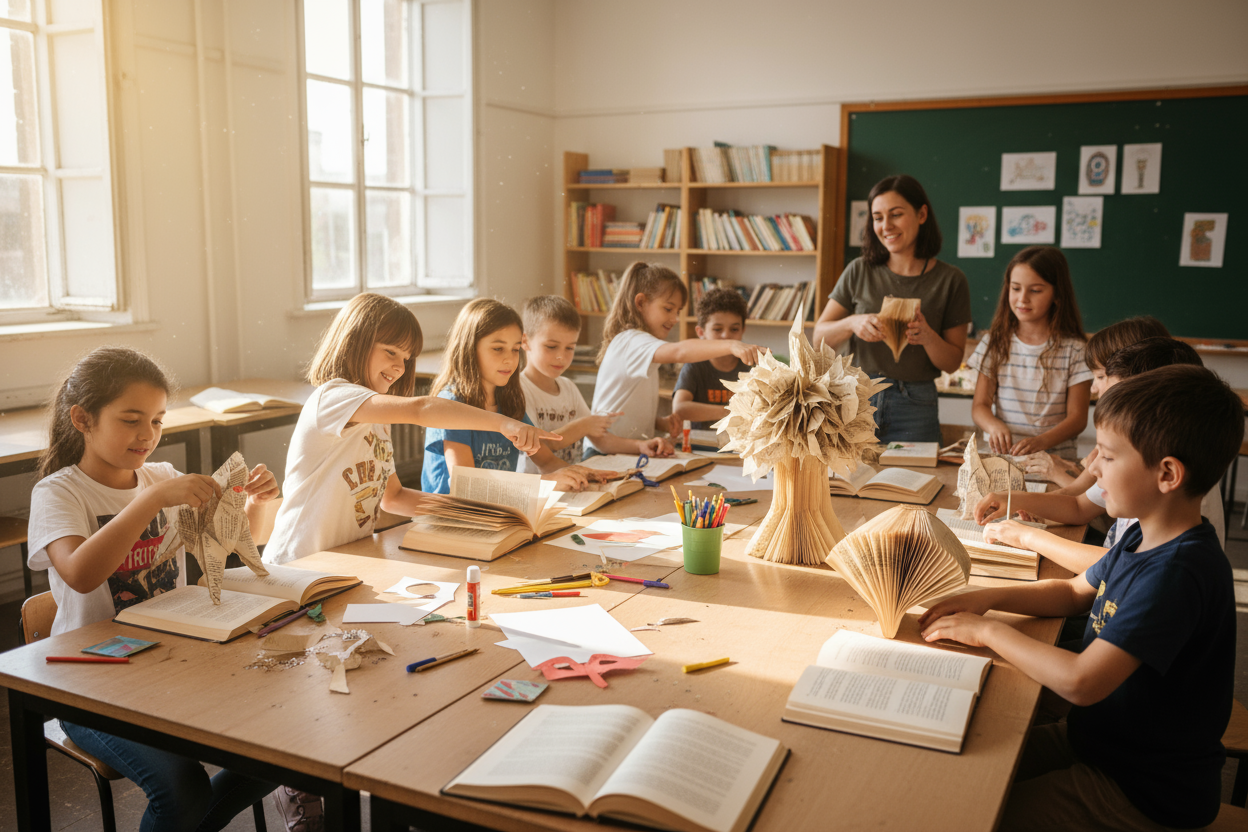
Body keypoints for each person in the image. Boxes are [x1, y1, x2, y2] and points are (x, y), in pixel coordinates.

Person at [922, 365, 1243, 831]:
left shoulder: (1178, 572)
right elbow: (1074, 591)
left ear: (1168, 474)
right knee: (957, 765)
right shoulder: (1144, 536)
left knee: (979, 813)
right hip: (1100, 740)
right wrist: (984, 598)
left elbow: (1080, 682)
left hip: (1143, 787)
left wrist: (986, 630)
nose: (1093, 464)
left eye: (1109, 457)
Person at [26, 346, 278, 832]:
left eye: (159, 421)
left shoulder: (160, 476)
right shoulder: (59, 492)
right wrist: (153, 499)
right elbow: (80, 572)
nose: (148, 435)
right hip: (91, 684)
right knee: (180, 788)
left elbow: (239, 542)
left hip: (175, 663)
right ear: (82, 418)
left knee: (283, 748)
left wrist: (263, 501)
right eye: (131, 419)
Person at [265, 293, 556, 564]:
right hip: (296, 565)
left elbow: (394, 498)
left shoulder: (377, 420)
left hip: (341, 564)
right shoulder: (331, 398)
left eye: (405, 358)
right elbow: (421, 409)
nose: (400, 367)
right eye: (391, 352)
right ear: (355, 341)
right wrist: (503, 423)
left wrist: (477, 516)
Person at [976, 336, 1224, 573]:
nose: (1095, 389)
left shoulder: (1168, 494)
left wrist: (1029, 537)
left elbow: (1123, 566)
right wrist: (1014, 500)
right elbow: (1079, 506)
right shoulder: (1142, 470)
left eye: (1103, 378)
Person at [813, 174, 971, 442]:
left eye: (896, 214)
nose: (886, 226)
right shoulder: (859, 270)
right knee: (853, 481)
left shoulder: (951, 279)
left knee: (914, 481)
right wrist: (852, 323)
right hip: (858, 396)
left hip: (916, 403)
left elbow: (953, 363)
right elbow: (818, 338)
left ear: (922, 214)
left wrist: (929, 337)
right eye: (877, 217)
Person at [586, 261, 762, 457]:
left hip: (626, 452)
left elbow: (627, 412)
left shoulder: (642, 348)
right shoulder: (631, 341)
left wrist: (660, 422)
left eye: (677, 312)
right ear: (641, 303)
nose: (675, 319)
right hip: (604, 453)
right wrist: (731, 345)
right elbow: (679, 351)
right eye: (668, 309)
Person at [421, 298, 593, 494]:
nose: (510, 359)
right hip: (452, 518)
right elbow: (468, 484)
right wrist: (545, 483)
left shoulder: (509, 402)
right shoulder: (451, 404)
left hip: (498, 510)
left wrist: (584, 475)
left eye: (514, 349)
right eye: (498, 348)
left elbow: (546, 461)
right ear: (469, 348)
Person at [516, 295, 666, 474]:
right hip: (537, 493)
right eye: (551, 346)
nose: (561, 357)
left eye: (569, 348)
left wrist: (640, 446)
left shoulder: (568, 387)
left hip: (571, 486)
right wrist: (584, 425)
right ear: (525, 342)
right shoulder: (520, 390)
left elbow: (599, 439)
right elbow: (541, 447)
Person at [969, 246, 1091, 458]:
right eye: (1015, 288)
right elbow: (980, 406)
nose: (1023, 298)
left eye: (1035, 290)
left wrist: (1040, 442)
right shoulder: (994, 343)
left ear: (1056, 294)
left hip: (1054, 462)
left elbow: (1078, 418)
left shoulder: (1075, 350)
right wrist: (994, 426)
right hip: (1003, 461)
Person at [672, 288, 751, 430]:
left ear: (743, 330)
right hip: (700, 446)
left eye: (734, 329)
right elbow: (679, 408)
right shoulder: (694, 365)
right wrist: (733, 411)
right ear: (701, 332)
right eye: (717, 329)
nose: (726, 335)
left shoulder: (751, 366)